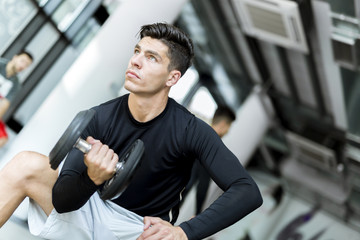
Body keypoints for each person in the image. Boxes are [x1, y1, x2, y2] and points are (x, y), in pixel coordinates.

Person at [0, 23, 262, 240]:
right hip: (88, 207)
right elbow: (62, 202)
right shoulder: (99, 117)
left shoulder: (191, 130)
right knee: (27, 164)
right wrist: (91, 178)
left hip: (138, 230)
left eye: (151, 58)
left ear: (172, 78)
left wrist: (184, 232)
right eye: (137, 51)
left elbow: (247, 190)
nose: (135, 61)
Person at [182, 105, 236, 215]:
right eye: (229, 126)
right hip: (172, 202)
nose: (228, 131)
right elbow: (203, 183)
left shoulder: (195, 131)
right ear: (223, 125)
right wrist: (197, 212)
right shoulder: (213, 146)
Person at [0, 51, 33, 147]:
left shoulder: (16, 85)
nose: (23, 66)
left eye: (27, 65)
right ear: (15, 58)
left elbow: (4, 105)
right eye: (22, 61)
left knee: (3, 138)